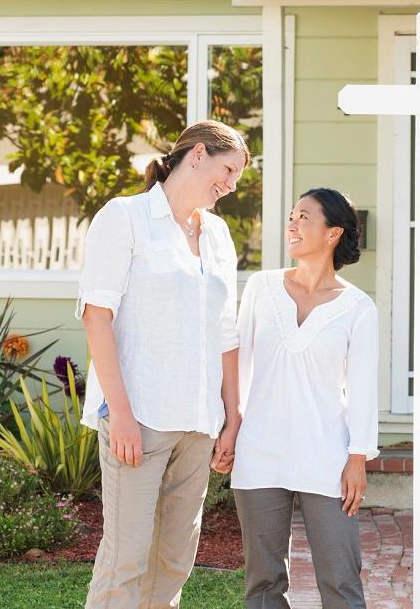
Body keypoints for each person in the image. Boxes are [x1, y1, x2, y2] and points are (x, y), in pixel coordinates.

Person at [76, 120, 250, 608]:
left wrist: (231, 419)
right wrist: (121, 414)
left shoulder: (216, 235)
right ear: (196, 155)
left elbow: (226, 332)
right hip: (140, 419)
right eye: (228, 170)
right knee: (125, 559)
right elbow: (96, 317)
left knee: (174, 561)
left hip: (197, 426)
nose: (231, 186)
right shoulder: (125, 217)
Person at [227, 187, 379, 609]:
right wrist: (231, 428)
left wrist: (357, 459)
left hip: (326, 456)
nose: (291, 224)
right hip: (259, 451)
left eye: (304, 217)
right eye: (292, 216)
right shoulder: (261, 287)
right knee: (263, 584)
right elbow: (238, 365)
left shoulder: (357, 307)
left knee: (341, 582)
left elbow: (364, 390)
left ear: (333, 233)